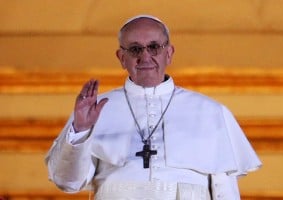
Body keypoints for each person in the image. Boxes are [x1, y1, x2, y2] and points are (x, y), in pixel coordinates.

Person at [45, 15, 261, 200]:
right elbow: (68, 183)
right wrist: (80, 131)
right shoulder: (95, 111)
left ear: (169, 53)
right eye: (135, 49)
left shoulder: (210, 111)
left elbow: (225, 190)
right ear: (122, 57)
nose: (145, 56)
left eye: (154, 47)